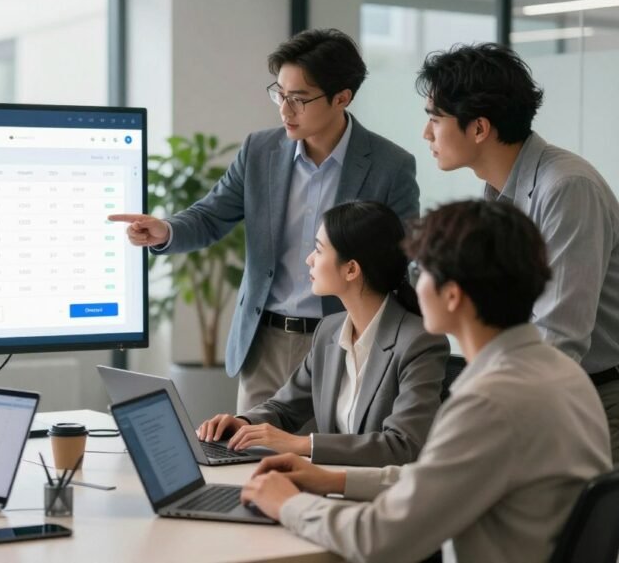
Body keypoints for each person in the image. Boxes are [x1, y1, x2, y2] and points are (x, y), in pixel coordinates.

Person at [240, 200, 611, 563]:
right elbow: (436, 481)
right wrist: (332, 480)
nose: (411, 284)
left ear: (452, 296)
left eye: (421, 272)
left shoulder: (489, 402)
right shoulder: (565, 374)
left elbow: (379, 539)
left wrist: (289, 503)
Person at [109, 28, 420, 413]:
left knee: (324, 462)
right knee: (247, 459)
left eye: (299, 99)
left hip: (343, 340)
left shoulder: (391, 166)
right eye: (280, 94)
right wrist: (167, 230)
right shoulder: (260, 150)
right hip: (263, 341)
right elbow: (210, 216)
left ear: (343, 98)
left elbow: (404, 257)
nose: (284, 110)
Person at [417, 42, 619, 464]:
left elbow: (558, 335)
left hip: (594, 398)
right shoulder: (499, 193)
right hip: (540, 387)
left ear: (479, 129)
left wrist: (486, 410)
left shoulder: (566, 188)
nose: (427, 134)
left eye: (435, 119)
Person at [197, 201, 447, 466]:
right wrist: (242, 423)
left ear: (351, 269)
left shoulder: (419, 342)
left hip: (383, 496)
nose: (309, 259)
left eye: (318, 249)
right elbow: (284, 408)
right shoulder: (329, 330)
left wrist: (302, 444)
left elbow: (403, 445)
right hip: (330, 484)